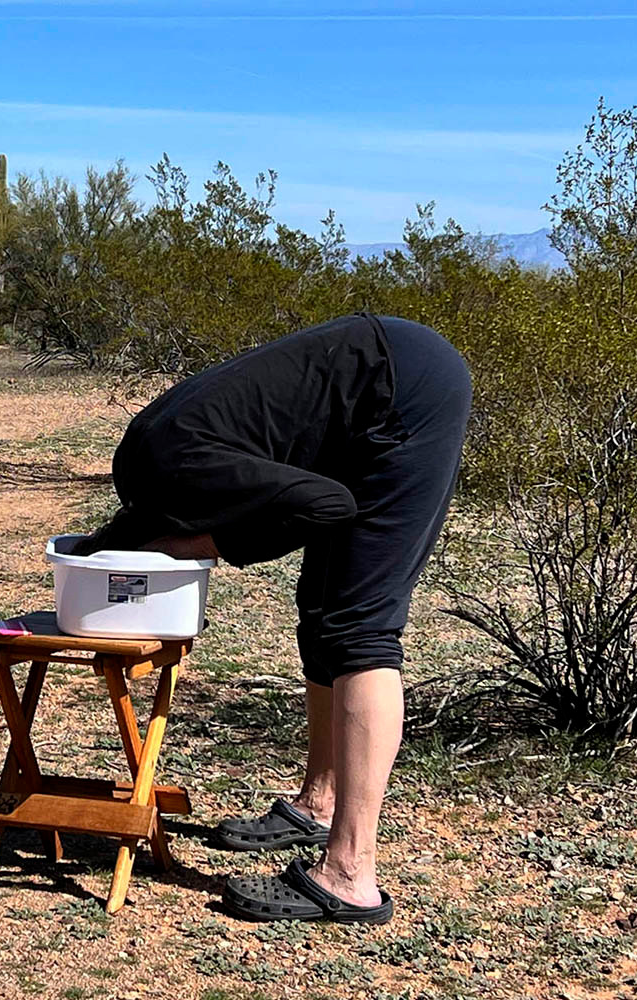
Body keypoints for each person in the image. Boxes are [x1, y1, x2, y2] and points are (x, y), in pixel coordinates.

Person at [72, 313, 471, 924]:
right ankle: (318, 803)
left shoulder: (175, 474)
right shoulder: (145, 463)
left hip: (406, 396)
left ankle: (350, 875)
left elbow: (326, 505)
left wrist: (206, 545)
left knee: (359, 625)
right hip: (372, 381)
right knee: (320, 610)